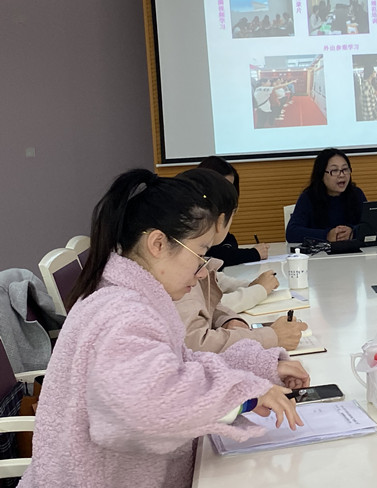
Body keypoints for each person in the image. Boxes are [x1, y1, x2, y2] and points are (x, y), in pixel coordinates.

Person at [19, 169, 309, 487]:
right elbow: (151, 407)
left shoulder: (135, 298)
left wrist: (257, 366)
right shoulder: (123, 314)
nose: (202, 271)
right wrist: (244, 394)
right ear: (158, 243)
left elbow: (178, 365)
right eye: (200, 255)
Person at [175, 168, 307, 352]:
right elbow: (196, 343)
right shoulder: (180, 266)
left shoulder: (188, 256)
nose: (202, 271)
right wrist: (271, 337)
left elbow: (209, 302)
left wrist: (227, 319)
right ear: (220, 220)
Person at [197, 156, 270, 267]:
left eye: (230, 187)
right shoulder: (197, 211)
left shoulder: (220, 209)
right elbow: (213, 257)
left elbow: (229, 243)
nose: (228, 193)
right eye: (223, 187)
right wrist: (253, 253)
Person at [286, 148, 367, 243]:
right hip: (320, 251)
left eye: (345, 169)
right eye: (334, 170)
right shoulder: (308, 197)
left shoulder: (356, 194)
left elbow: (372, 226)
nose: (342, 175)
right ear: (321, 174)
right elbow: (292, 233)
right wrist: (327, 235)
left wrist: (353, 232)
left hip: (353, 251)